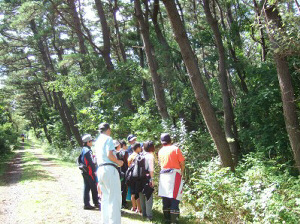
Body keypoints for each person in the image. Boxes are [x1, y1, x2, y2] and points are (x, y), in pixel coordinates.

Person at [95, 123, 124, 224]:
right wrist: (118, 162)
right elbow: (110, 154)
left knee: (105, 198)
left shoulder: (97, 141)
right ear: (108, 130)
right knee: (115, 198)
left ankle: (105, 222)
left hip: (100, 169)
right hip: (109, 169)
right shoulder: (108, 139)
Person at [158, 133, 185, 224]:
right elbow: (182, 162)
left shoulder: (160, 151)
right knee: (175, 197)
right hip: (174, 174)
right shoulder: (175, 149)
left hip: (163, 175)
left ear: (162, 142)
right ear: (170, 140)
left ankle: (167, 219)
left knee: (165, 197)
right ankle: (174, 221)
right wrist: (182, 172)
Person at [80, 134, 100, 210]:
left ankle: (86, 204)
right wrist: (94, 170)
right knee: (93, 187)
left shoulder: (83, 149)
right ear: (88, 142)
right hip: (89, 171)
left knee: (86, 187)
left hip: (84, 171)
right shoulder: (88, 150)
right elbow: (91, 162)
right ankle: (96, 203)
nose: (92, 142)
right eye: (91, 141)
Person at [139, 140, 155, 221]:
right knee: (148, 196)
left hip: (139, 179)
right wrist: (152, 180)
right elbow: (151, 170)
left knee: (141, 195)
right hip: (147, 177)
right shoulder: (150, 156)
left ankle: (144, 214)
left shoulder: (140, 155)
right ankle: (149, 216)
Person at [127, 142, 142, 214]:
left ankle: (134, 207)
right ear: (138, 148)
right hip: (137, 176)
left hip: (130, 176)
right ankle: (139, 209)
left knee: (132, 192)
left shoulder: (130, 156)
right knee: (137, 193)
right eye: (140, 147)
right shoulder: (138, 156)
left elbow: (128, 166)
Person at [116, 140, 129, 208]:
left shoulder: (114, 153)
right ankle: (123, 202)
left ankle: (120, 202)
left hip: (117, 172)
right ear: (123, 145)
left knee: (119, 188)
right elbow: (126, 161)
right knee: (124, 188)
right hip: (124, 171)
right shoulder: (125, 152)